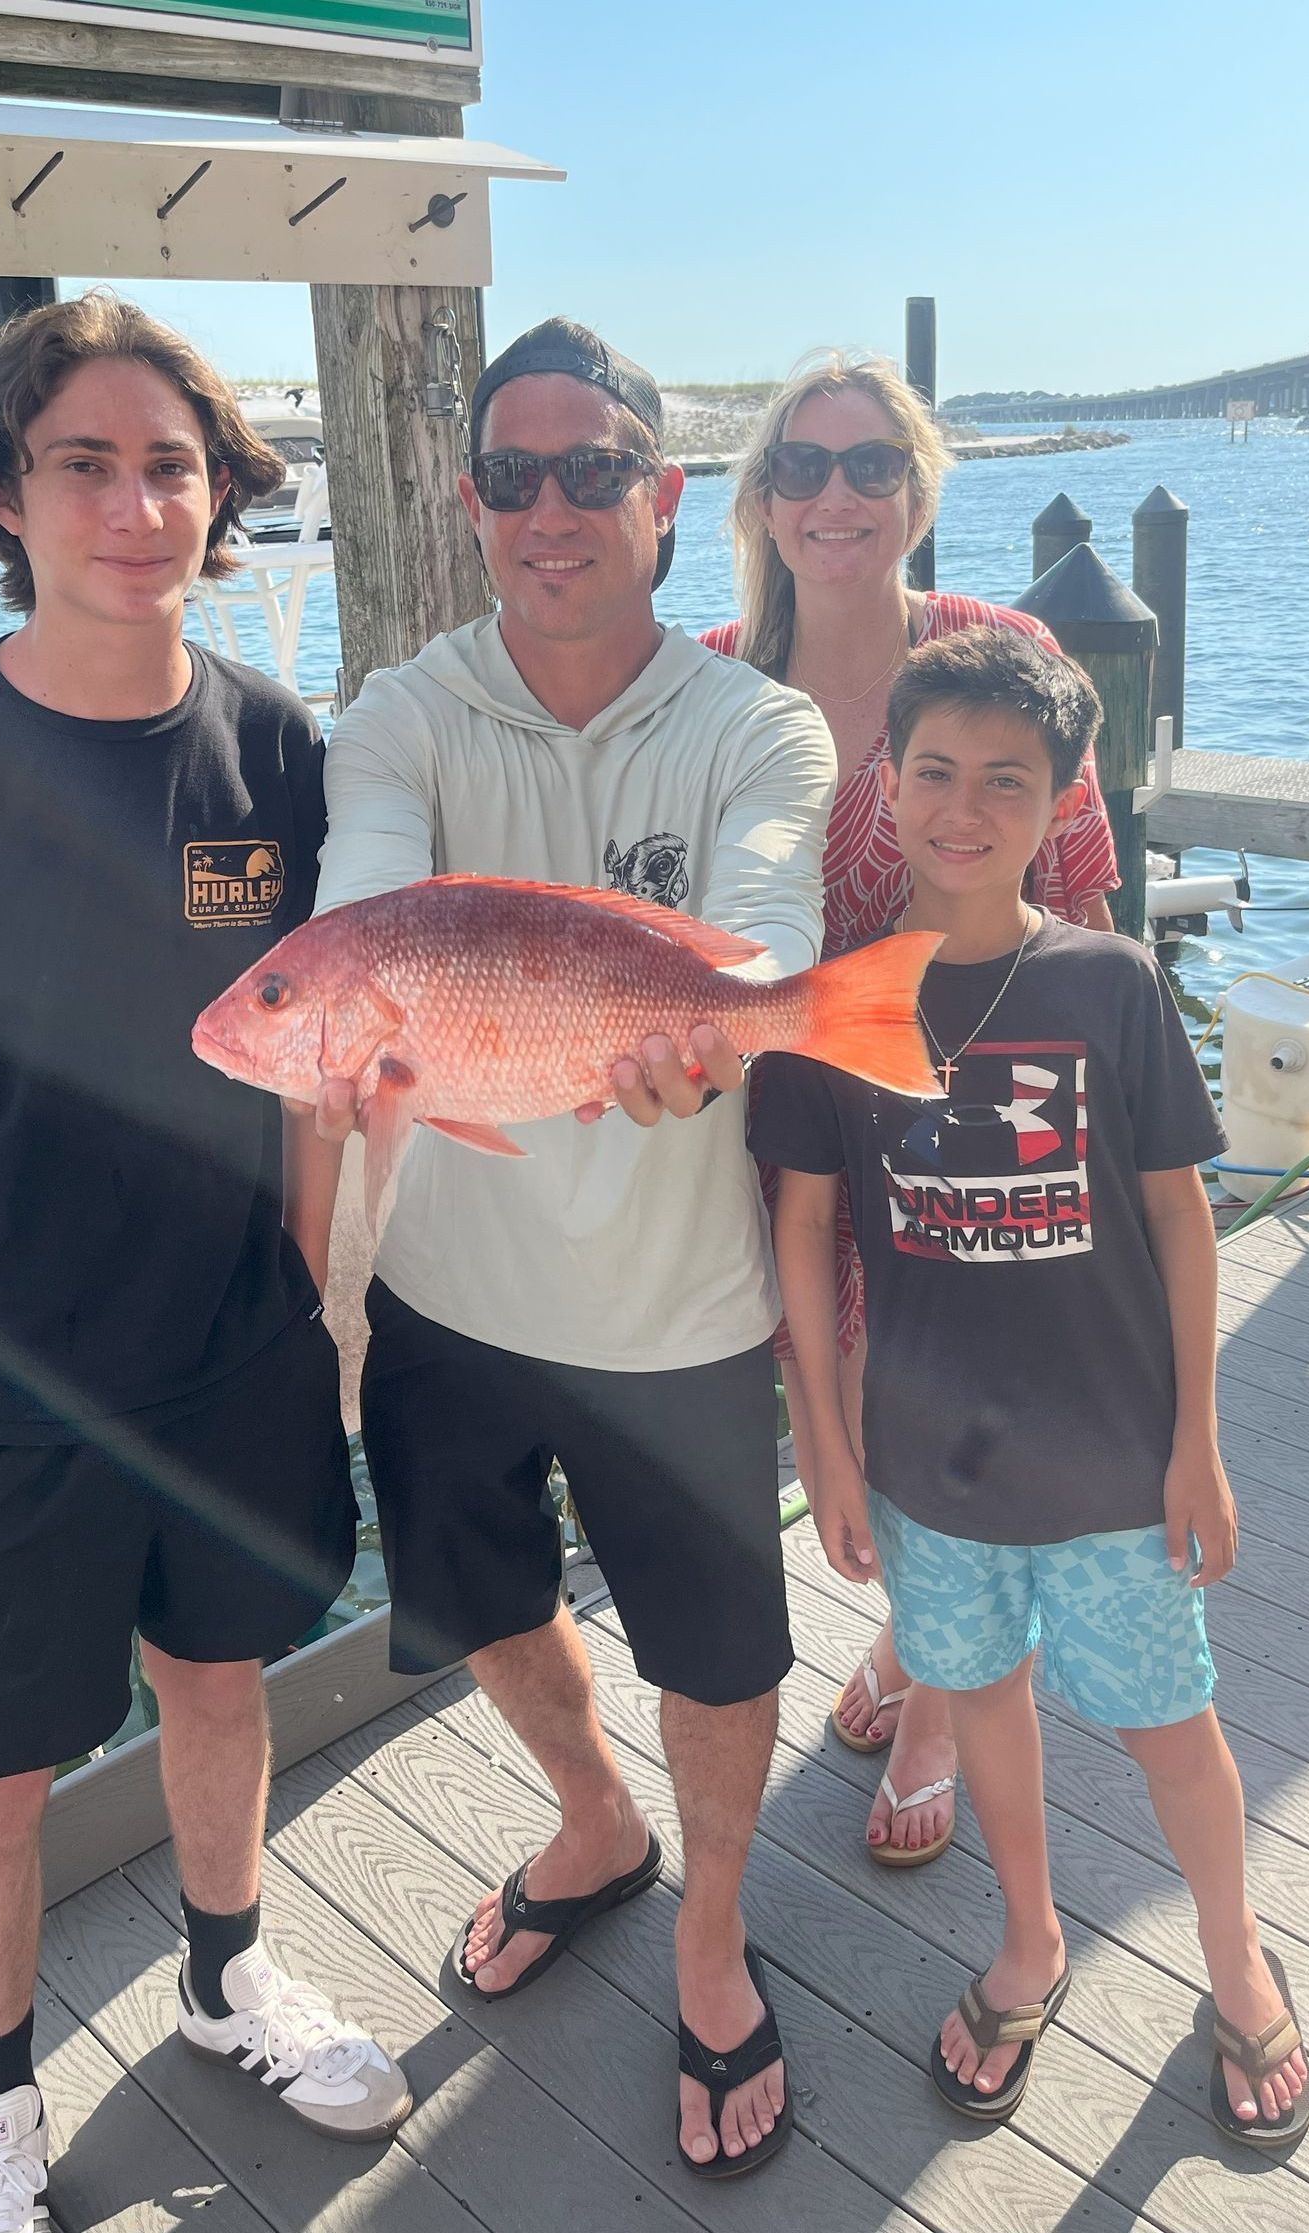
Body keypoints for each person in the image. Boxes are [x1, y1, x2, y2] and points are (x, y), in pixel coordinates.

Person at [0, 294, 411, 2233]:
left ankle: (223, 1979)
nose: (137, 505)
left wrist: (296, 1282)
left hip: (230, 1359)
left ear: (221, 500)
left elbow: (315, 1052)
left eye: (173, 465)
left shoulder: (283, 754)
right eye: (86, 464)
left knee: (220, 1695)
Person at [307, 316, 835, 2178]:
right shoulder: (399, 708)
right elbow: (363, 905)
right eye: (514, 475)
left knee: (716, 1646)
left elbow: (762, 925)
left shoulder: (757, 720)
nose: (553, 507)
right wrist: (370, 1000)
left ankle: (709, 1921)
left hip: (680, 1307)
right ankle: (595, 1820)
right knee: (480, 1600)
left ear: (663, 495)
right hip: (449, 1295)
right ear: (469, 502)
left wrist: (730, 1016)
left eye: (593, 468)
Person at [752, 627, 1309, 2148]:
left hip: (1116, 1463)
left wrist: (1199, 1441)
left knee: (1169, 1717)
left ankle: (1235, 1955)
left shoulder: (1112, 983)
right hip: (932, 1464)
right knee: (984, 1700)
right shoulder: (834, 1005)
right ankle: (1029, 1934)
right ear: (890, 781)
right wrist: (829, 1440)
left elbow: (1183, 1215)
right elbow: (804, 1222)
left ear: (1062, 798)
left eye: (1009, 779)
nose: (963, 806)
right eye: (932, 770)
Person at [701, 352, 1120, 1867]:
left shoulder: (997, 646)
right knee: (859, 1418)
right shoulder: (710, 673)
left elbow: (1077, 895)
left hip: (969, 1121)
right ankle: (917, 1647)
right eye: (802, 467)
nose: (836, 494)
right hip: (795, 1122)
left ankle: (940, 1697)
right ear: (758, 499)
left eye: (871, 465)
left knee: (956, 1423)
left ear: (919, 488)